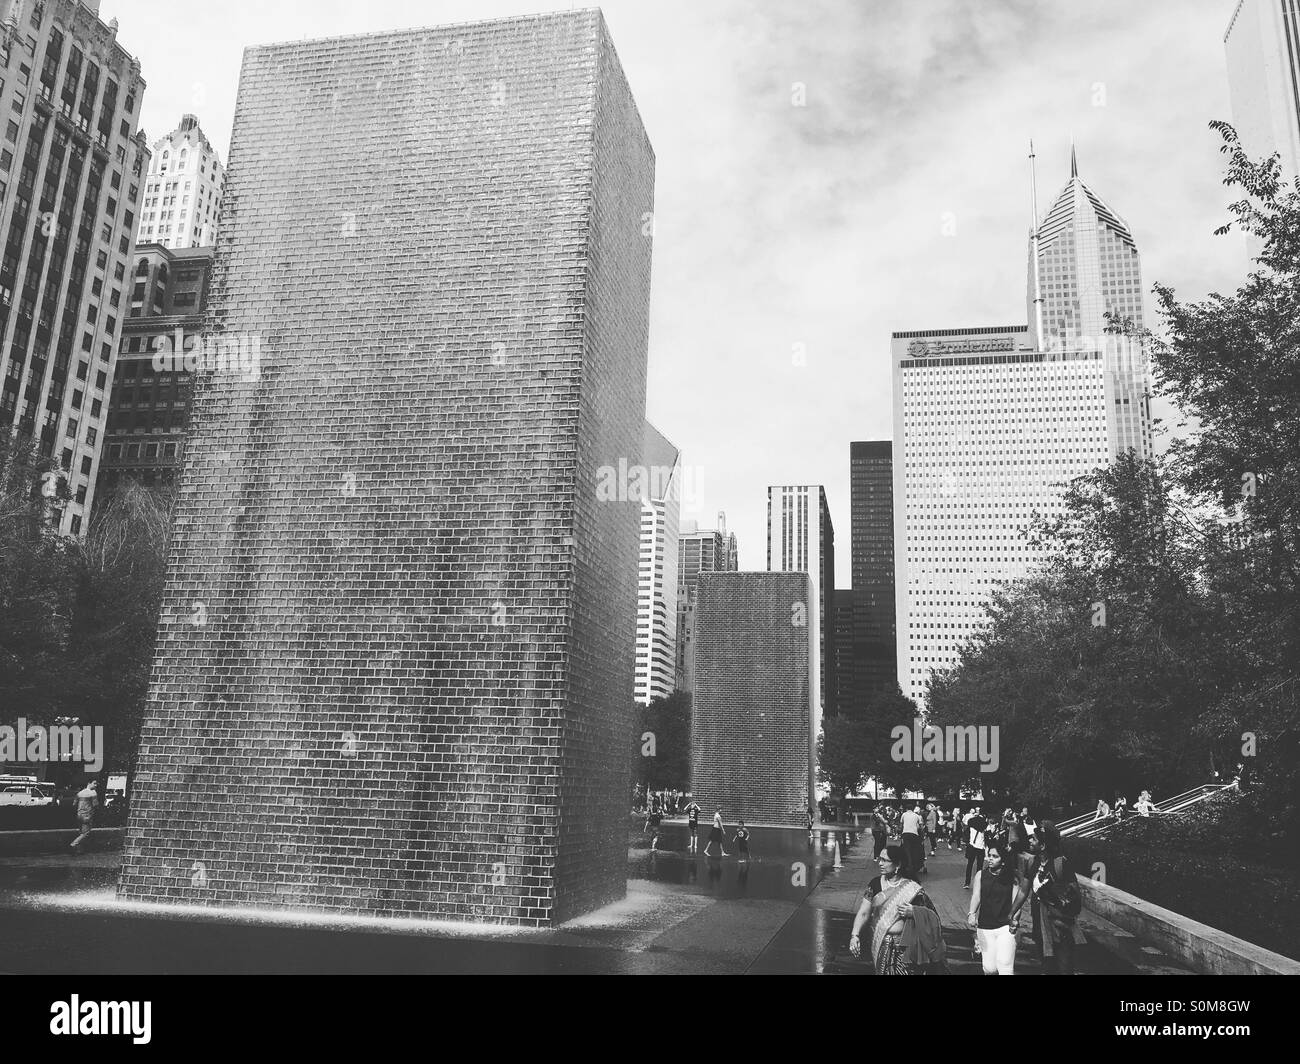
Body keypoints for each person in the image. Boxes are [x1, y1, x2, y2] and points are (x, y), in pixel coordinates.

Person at [848, 844, 942, 974]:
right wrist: (855, 935)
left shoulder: (912, 889)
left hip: (904, 948)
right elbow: (864, 913)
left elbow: (933, 918)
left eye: (885, 860)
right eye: (879, 859)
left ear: (898, 865)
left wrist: (914, 912)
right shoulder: (875, 884)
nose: (880, 863)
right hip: (879, 943)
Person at [1027, 820, 1081, 975]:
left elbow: (1076, 899)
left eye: (1034, 838)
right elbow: (1024, 890)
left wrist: (1060, 913)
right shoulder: (1034, 862)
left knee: (1064, 969)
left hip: (1059, 927)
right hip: (1040, 926)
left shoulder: (1060, 864)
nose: (1030, 840)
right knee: (1047, 968)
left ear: (1043, 846)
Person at [967, 838, 1028, 975]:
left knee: (1005, 965)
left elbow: (1016, 902)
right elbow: (976, 896)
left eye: (995, 856)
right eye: (989, 855)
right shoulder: (980, 875)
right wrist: (971, 913)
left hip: (1005, 926)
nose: (990, 859)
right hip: (984, 926)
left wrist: (1015, 920)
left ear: (1003, 860)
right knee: (989, 969)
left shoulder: (1012, 878)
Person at [70, 779, 99, 852]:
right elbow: (95, 805)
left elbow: (74, 804)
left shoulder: (80, 793)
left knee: (81, 832)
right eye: (94, 783)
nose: (96, 785)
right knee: (86, 833)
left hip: (79, 815)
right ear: (89, 783)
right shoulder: (93, 793)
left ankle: (79, 850)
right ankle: (74, 844)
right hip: (87, 815)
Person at [963, 805, 987, 888]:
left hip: (972, 846)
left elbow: (966, 832)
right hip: (981, 847)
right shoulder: (984, 823)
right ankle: (978, 883)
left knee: (969, 865)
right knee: (979, 866)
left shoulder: (971, 822)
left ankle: (967, 883)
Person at [901, 803, 924, 875]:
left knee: (906, 850)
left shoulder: (904, 814)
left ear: (906, 809)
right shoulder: (917, 816)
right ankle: (915, 865)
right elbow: (921, 826)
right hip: (914, 834)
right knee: (914, 850)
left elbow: (901, 824)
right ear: (913, 809)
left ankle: (908, 864)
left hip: (906, 834)